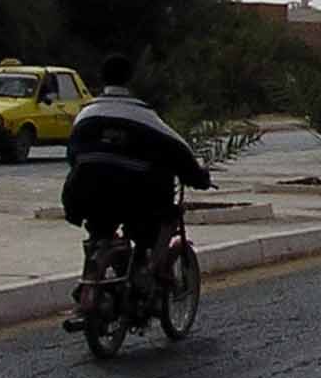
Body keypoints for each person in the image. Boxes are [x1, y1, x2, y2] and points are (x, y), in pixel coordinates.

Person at [62, 54, 211, 303]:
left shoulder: (85, 115)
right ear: (131, 79)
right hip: (133, 196)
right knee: (158, 221)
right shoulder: (144, 115)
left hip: (82, 193)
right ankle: (143, 272)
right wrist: (200, 178)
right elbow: (180, 152)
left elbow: (73, 156)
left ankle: (95, 273)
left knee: (100, 228)